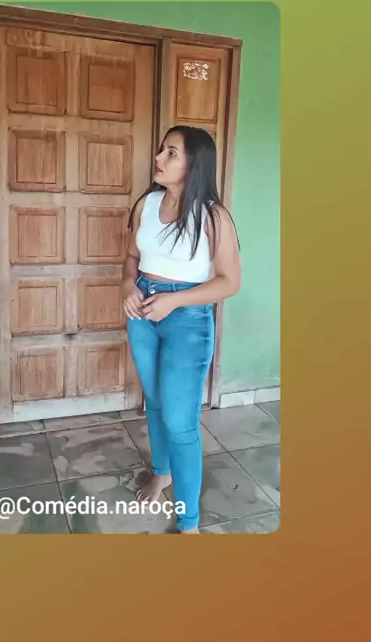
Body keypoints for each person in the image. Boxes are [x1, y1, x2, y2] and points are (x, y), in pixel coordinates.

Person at [122, 125, 241, 533]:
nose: (159, 158)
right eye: (162, 150)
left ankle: (188, 523)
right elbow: (131, 257)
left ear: (195, 163)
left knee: (180, 420)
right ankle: (162, 473)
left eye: (171, 152)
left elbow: (230, 282)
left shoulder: (212, 216)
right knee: (155, 402)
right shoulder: (147, 204)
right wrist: (127, 286)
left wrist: (173, 301)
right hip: (142, 313)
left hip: (187, 320)